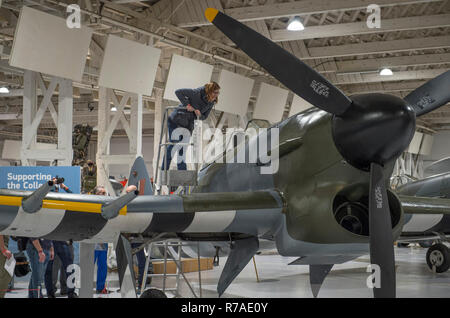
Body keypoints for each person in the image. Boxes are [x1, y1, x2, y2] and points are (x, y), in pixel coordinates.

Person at [163, 82, 220, 171]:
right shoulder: (196, 93)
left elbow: (204, 116)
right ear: (209, 91)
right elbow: (178, 92)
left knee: (182, 150)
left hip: (188, 125)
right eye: (215, 92)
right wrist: (187, 105)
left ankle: (182, 174)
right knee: (173, 146)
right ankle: (164, 170)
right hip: (176, 120)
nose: (216, 95)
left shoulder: (211, 103)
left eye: (217, 93)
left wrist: (199, 114)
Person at [92, 185, 110, 294]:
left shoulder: (106, 206)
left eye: (104, 193)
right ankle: (85, 286)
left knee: (103, 265)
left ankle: (101, 287)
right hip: (92, 240)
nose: (104, 195)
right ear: (95, 194)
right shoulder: (89, 205)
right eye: (101, 193)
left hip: (103, 240)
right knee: (89, 265)